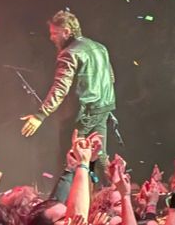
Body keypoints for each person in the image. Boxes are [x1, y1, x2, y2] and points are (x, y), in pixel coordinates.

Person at [20, 11, 117, 178]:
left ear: (66, 31)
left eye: (54, 33)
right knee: (99, 156)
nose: (51, 38)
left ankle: (66, 202)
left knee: (70, 161)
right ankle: (118, 192)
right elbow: (111, 78)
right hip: (103, 108)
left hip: (84, 114)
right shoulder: (100, 47)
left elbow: (60, 88)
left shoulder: (69, 53)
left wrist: (40, 115)